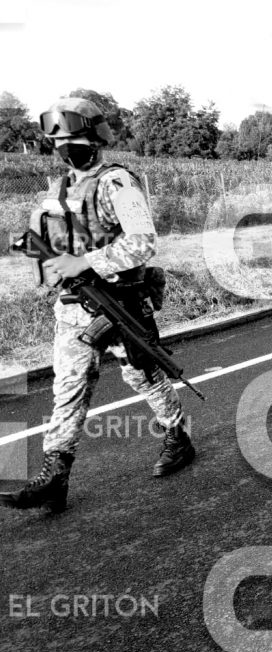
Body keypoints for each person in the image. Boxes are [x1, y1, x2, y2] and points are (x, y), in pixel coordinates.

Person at [0, 98, 195, 515]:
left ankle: (177, 435)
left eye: (72, 140)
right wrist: (46, 261)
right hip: (73, 306)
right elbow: (49, 239)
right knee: (68, 388)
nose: (64, 148)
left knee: (143, 376)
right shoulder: (60, 188)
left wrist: (84, 262)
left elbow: (143, 242)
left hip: (119, 303)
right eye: (58, 142)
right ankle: (55, 474)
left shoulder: (117, 183)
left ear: (95, 139)